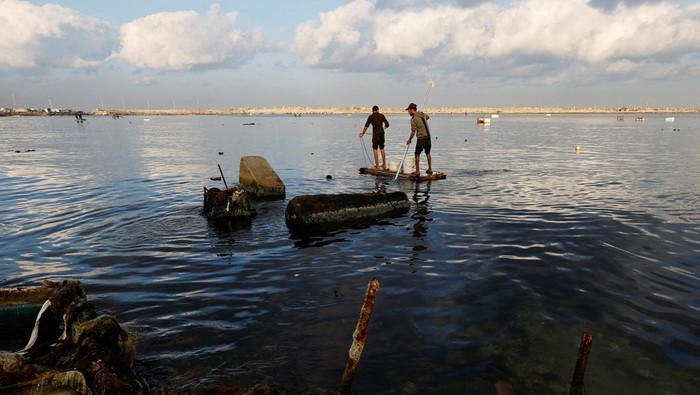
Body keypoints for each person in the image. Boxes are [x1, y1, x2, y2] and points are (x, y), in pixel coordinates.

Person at [405, 102, 433, 175]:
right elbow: (428, 117)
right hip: (428, 136)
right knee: (428, 153)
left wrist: (409, 140)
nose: (408, 112)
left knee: (417, 154)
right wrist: (421, 113)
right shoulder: (422, 114)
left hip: (421, 137)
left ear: (411, 110)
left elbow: (413, 131)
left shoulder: (413, 119)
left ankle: (417, 171)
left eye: (408, 110)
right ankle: (430, 169)